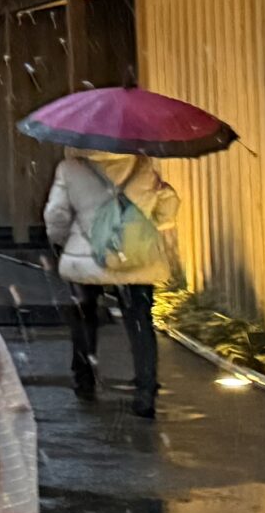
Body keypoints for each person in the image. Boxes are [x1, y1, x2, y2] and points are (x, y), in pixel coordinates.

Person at [42, 146, 181, 415]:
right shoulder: (142, 165)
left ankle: (84, 377)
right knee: (139, 319)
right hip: (134, 256)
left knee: (84, 314)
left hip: (87, 255)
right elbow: (165, 214)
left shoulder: (69, 168)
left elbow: (55, 216)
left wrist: (64, 241)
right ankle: (145, 388)